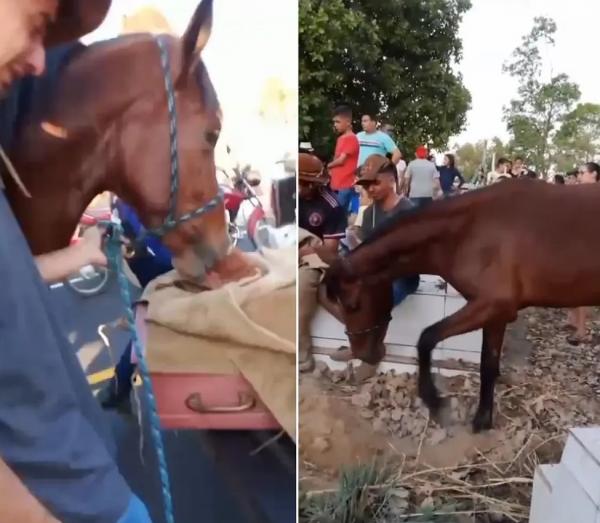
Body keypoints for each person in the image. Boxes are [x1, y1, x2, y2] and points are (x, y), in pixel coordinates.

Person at [0, 2, 153, 522]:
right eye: (38, 23)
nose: (40, 60)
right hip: (67, 500)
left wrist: (77, 257)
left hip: (82, 469)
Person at [330, 154, 420, 362]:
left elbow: (414, 256)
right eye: (366, 184)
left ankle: (369, 350)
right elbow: (360, 242)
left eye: (375, 183)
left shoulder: (409, 211)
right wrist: (352, 239)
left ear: (391, 180)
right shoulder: (369, 212)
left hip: (402, 278)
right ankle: (365, 347)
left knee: (369, 301)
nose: (370, 189)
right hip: (371, 274)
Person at [98, 197, 174, 411]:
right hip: (154, 270)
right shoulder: (132, 200)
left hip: (151, 265)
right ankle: (119, 387)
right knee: (144, 330)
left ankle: (118, 387)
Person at [298, 153, 347, 372]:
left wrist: (305, 251)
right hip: (291, 250)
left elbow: (329, 251)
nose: (300, 188)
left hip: (315, 258)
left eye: (304, 184)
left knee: (302, 288)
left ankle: (303, 356)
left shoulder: (332, 206)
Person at [567, 162, 600, 346]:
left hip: (589, 249)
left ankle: (581, 330)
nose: (579, 176)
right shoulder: (582, 193)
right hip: (578, 246)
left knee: (581, 290)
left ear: (594, 174)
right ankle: (574, 322)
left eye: (582, 173)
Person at [327, 105, 359, 213]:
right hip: (337, 183)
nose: (335, 125)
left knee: (338, 214)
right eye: (334, 122)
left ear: (348, 121)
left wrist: (327, 166)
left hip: (345, 184)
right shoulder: (341, 138)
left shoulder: (351, 138)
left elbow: (341, 160)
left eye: (338, 122)